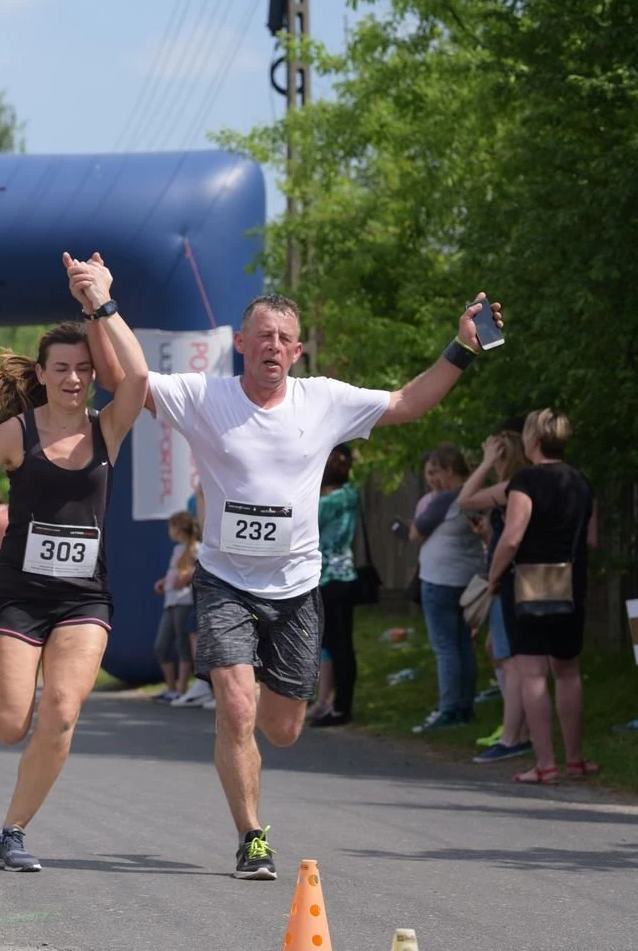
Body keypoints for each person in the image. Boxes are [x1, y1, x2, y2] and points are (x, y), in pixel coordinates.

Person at [91, 285, 504, 879]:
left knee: (283, 731)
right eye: (263, 336)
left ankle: (247, 702)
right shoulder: (205, 396)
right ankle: (251, 836)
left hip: (295, 588)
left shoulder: (323, 401)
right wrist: (101, 308)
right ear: (240, 343)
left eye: (284, 338)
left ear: (298, 351)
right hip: (225, 581)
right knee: (237, 708)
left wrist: (462, 347)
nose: (274, 346)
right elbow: (124, 377)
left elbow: (408, 402)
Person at [0, 253, 149, 872]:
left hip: (83, 597)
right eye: (62, 369)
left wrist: (101, 304)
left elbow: (138, 376)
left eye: (83, 369)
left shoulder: (108, 429)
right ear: (44, 374)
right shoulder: (16, 434)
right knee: (9, 724)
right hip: (19, 594)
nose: (74, 379)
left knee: (63, 711)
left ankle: (13, 831)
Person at [487, 408, 596, 786]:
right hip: (571, 586)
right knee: (568, 671)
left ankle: (546, 763)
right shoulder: (580, 481)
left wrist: (493, 576)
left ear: (532, 439)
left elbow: (512, 537)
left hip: (528, 587)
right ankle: (576, 760)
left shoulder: (526, 480)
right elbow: (591, 539)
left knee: (533, 673)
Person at [458, 429, 531, 763]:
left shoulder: (513, 486)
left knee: (512, 661)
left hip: (506, 582)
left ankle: (513, 735)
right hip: (517, 580)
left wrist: (486, 462)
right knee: (504, 654)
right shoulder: (518, 488)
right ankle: (520, 728)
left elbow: (465, 499)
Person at [409, 443, 487, 733]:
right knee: (464, 645)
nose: (434, 478)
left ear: (449, 470)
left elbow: (415, 532)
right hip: (468, 579)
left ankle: (450, 709)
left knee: (446, 648)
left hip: (440, 580)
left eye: (437, 471)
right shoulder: (478, 496)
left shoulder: (445, 499)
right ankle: (465, 707)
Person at [309, 445, 360, 728]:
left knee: (340, 645)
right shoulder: (349, 494)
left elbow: (305, 516)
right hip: (328, 578)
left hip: (334, 578)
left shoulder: (338, 498)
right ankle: (332, 702)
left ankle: (342, 707)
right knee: (331, 643)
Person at [152, 510, 200, 702]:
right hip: (170, 602)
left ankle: (181, 690)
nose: (169, 531)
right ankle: (171, 688)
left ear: (178, 528)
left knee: (183, 646)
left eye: (171, 527)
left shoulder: (197, 548)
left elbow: (201, 570)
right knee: (161, 646)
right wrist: (164, 582)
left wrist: (188, 576)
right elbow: (174, 573)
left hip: (185, 602)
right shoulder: (177, 550)